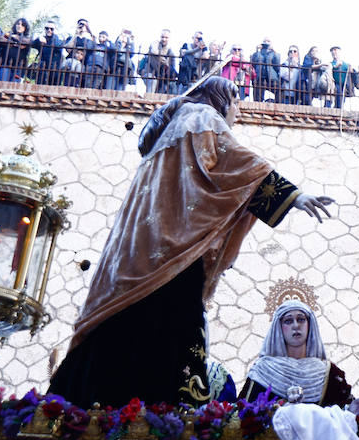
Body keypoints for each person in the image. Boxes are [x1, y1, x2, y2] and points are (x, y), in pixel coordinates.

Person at [49, 77, 336, 407]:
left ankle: (94, 408)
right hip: (174, 252)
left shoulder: (168, 133)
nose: (237, 113)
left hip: (137, 252)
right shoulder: (202, 116)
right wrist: (292, 196)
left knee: (121, 330)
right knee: (172, 330)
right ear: (221, 98)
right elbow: (232, 164)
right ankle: (163, 414)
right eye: (236, 103)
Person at [238, 301, 359, 410]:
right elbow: (242, 413)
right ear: (279, 327)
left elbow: (344, 416)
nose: (296, 325)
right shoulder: (264, 369)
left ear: (310, 325)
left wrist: (351, 412)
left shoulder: (328, 373)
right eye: (288, 321)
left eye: (301, 319)